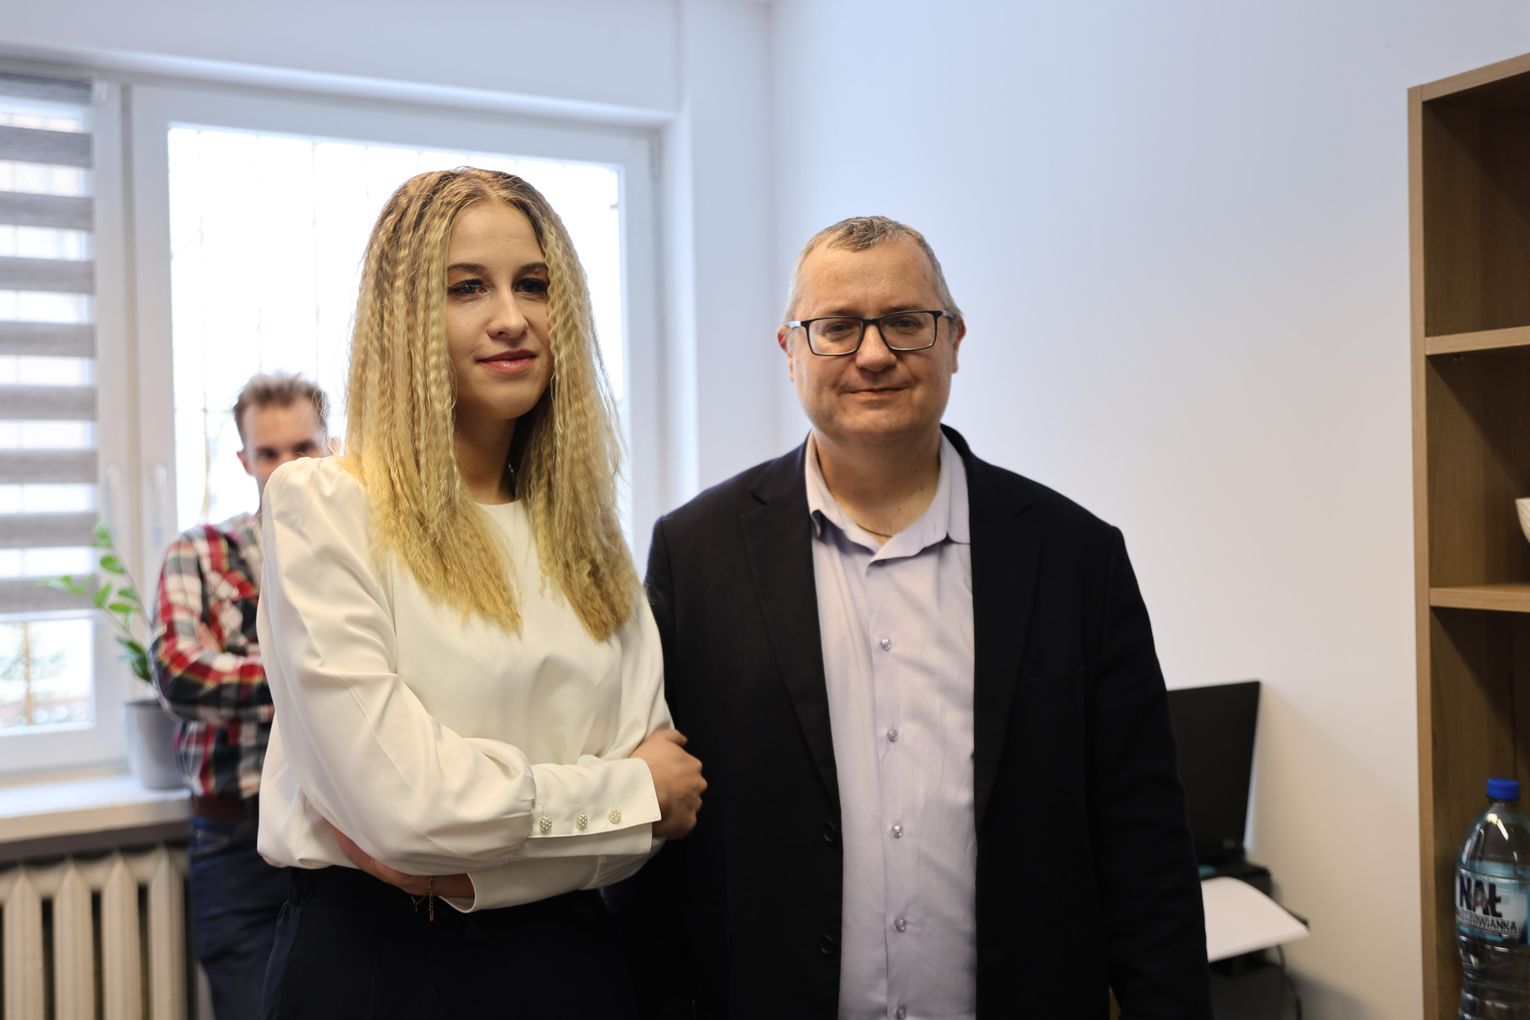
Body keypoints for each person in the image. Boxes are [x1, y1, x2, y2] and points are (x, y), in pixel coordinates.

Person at [609, 216, 1212, 1018]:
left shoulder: (1076, 557)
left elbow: (1146, 839)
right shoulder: (696, 554)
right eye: (836, 327)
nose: (873, 354)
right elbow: (660, 852)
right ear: (789, 350)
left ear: (954, 339)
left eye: (904, 321)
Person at [254, 168, 704, 1019]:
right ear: (404, 319)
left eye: (534, 284)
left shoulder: (587, 531)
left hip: (574, 962)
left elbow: (659, 809)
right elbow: (409, 812)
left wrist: (459, 862)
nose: (511, 317)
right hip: (385, 969)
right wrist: (623, 794)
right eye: (467, 288)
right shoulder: (325, 505)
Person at [150, 372, 330, 1020]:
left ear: (330, 446)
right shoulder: (199, 551)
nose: (287, 468)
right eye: (269, 453)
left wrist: (239, 662)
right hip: (235, 838)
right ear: (244, 459)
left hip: (343, 834)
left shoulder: (359, 556)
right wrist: (318, 674)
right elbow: (180, 674)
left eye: (303, 448)